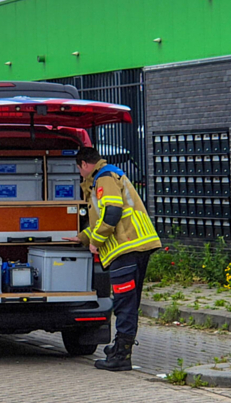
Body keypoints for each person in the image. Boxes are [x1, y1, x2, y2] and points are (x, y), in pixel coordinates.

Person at [65, 147, 162, 371]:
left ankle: (121, 356)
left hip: (126, 247)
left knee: (124, 304)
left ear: (84, 164)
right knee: (129, 302)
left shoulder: (104, 179)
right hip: (137, 245)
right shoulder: (109, 175)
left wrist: (95, 242)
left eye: (79, 168)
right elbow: (103, 219)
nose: (79, 173)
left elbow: (112, 214)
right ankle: (120, 346)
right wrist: (82, 237)